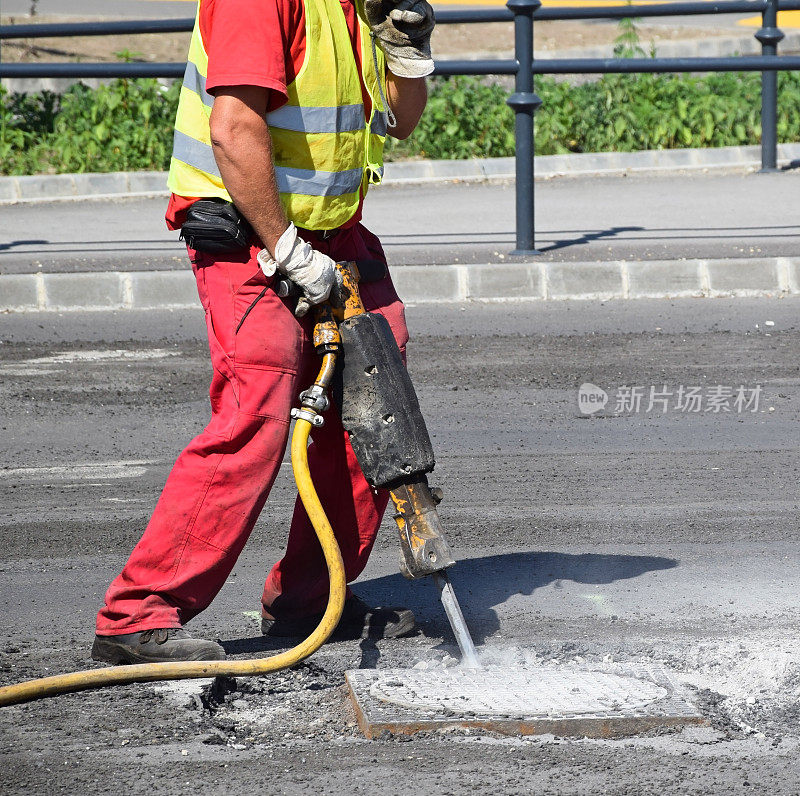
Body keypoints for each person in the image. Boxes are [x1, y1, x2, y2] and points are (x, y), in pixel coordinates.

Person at [91, 0, 435, 663]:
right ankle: (137, 617)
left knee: (373, 399)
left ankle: (312, 597)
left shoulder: (358, 6)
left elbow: (401, 120)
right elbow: (233, 126)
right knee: (258, 410)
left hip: (329, 231)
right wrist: (288, 252)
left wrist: (406, 49)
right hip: (248, 231)